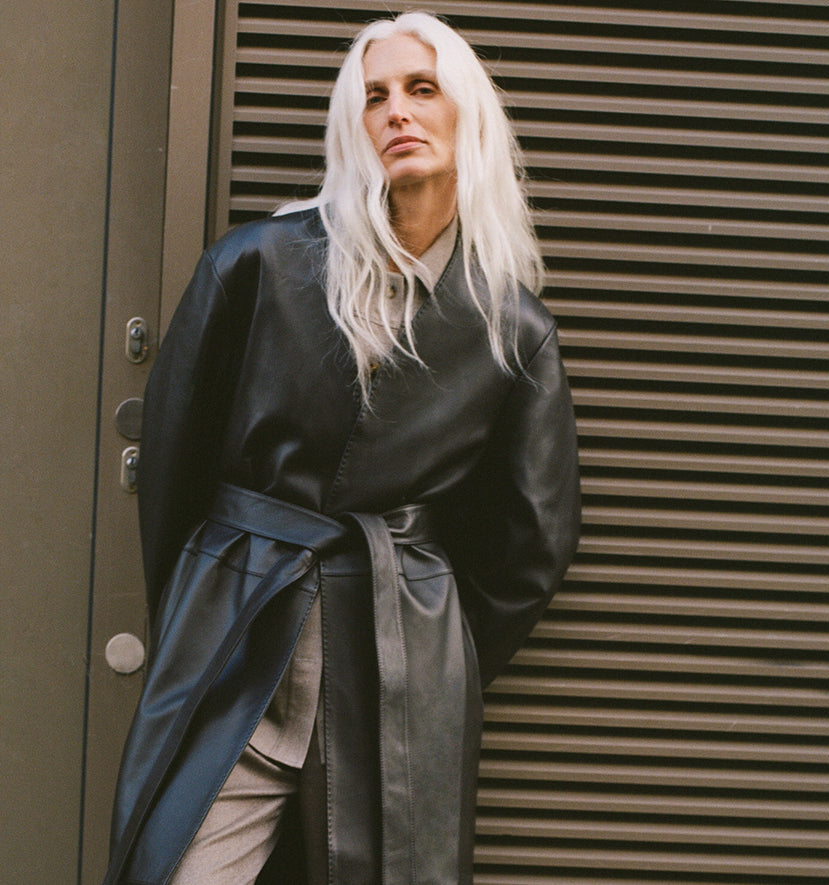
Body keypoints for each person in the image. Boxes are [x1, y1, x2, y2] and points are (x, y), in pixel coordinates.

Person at [103, 11, 580, 885]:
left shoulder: (512, 328)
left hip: (395, 673)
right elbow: (173, 467)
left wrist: (433, 648)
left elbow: (530, 545)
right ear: (351, 128)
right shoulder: (255, 266)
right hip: (237, 642)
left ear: (465, 113)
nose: (397, 110)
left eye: (421, 88)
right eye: (373, 96)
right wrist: (200, 603)